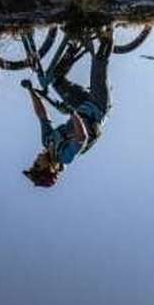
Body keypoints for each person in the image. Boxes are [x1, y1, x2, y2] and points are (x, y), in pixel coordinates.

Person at [21, 28, 113, 188]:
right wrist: (74, 115)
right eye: (36, 166)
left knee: (56, 80)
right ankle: (109, 28)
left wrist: (30, 91)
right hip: (98, 107)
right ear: (49, 169)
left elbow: (42, 115)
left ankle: (74, 41)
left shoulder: (47, 141)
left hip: (80, 104)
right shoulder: (65, 157)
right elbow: (82, 137)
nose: (34, 161)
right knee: (99, 61)